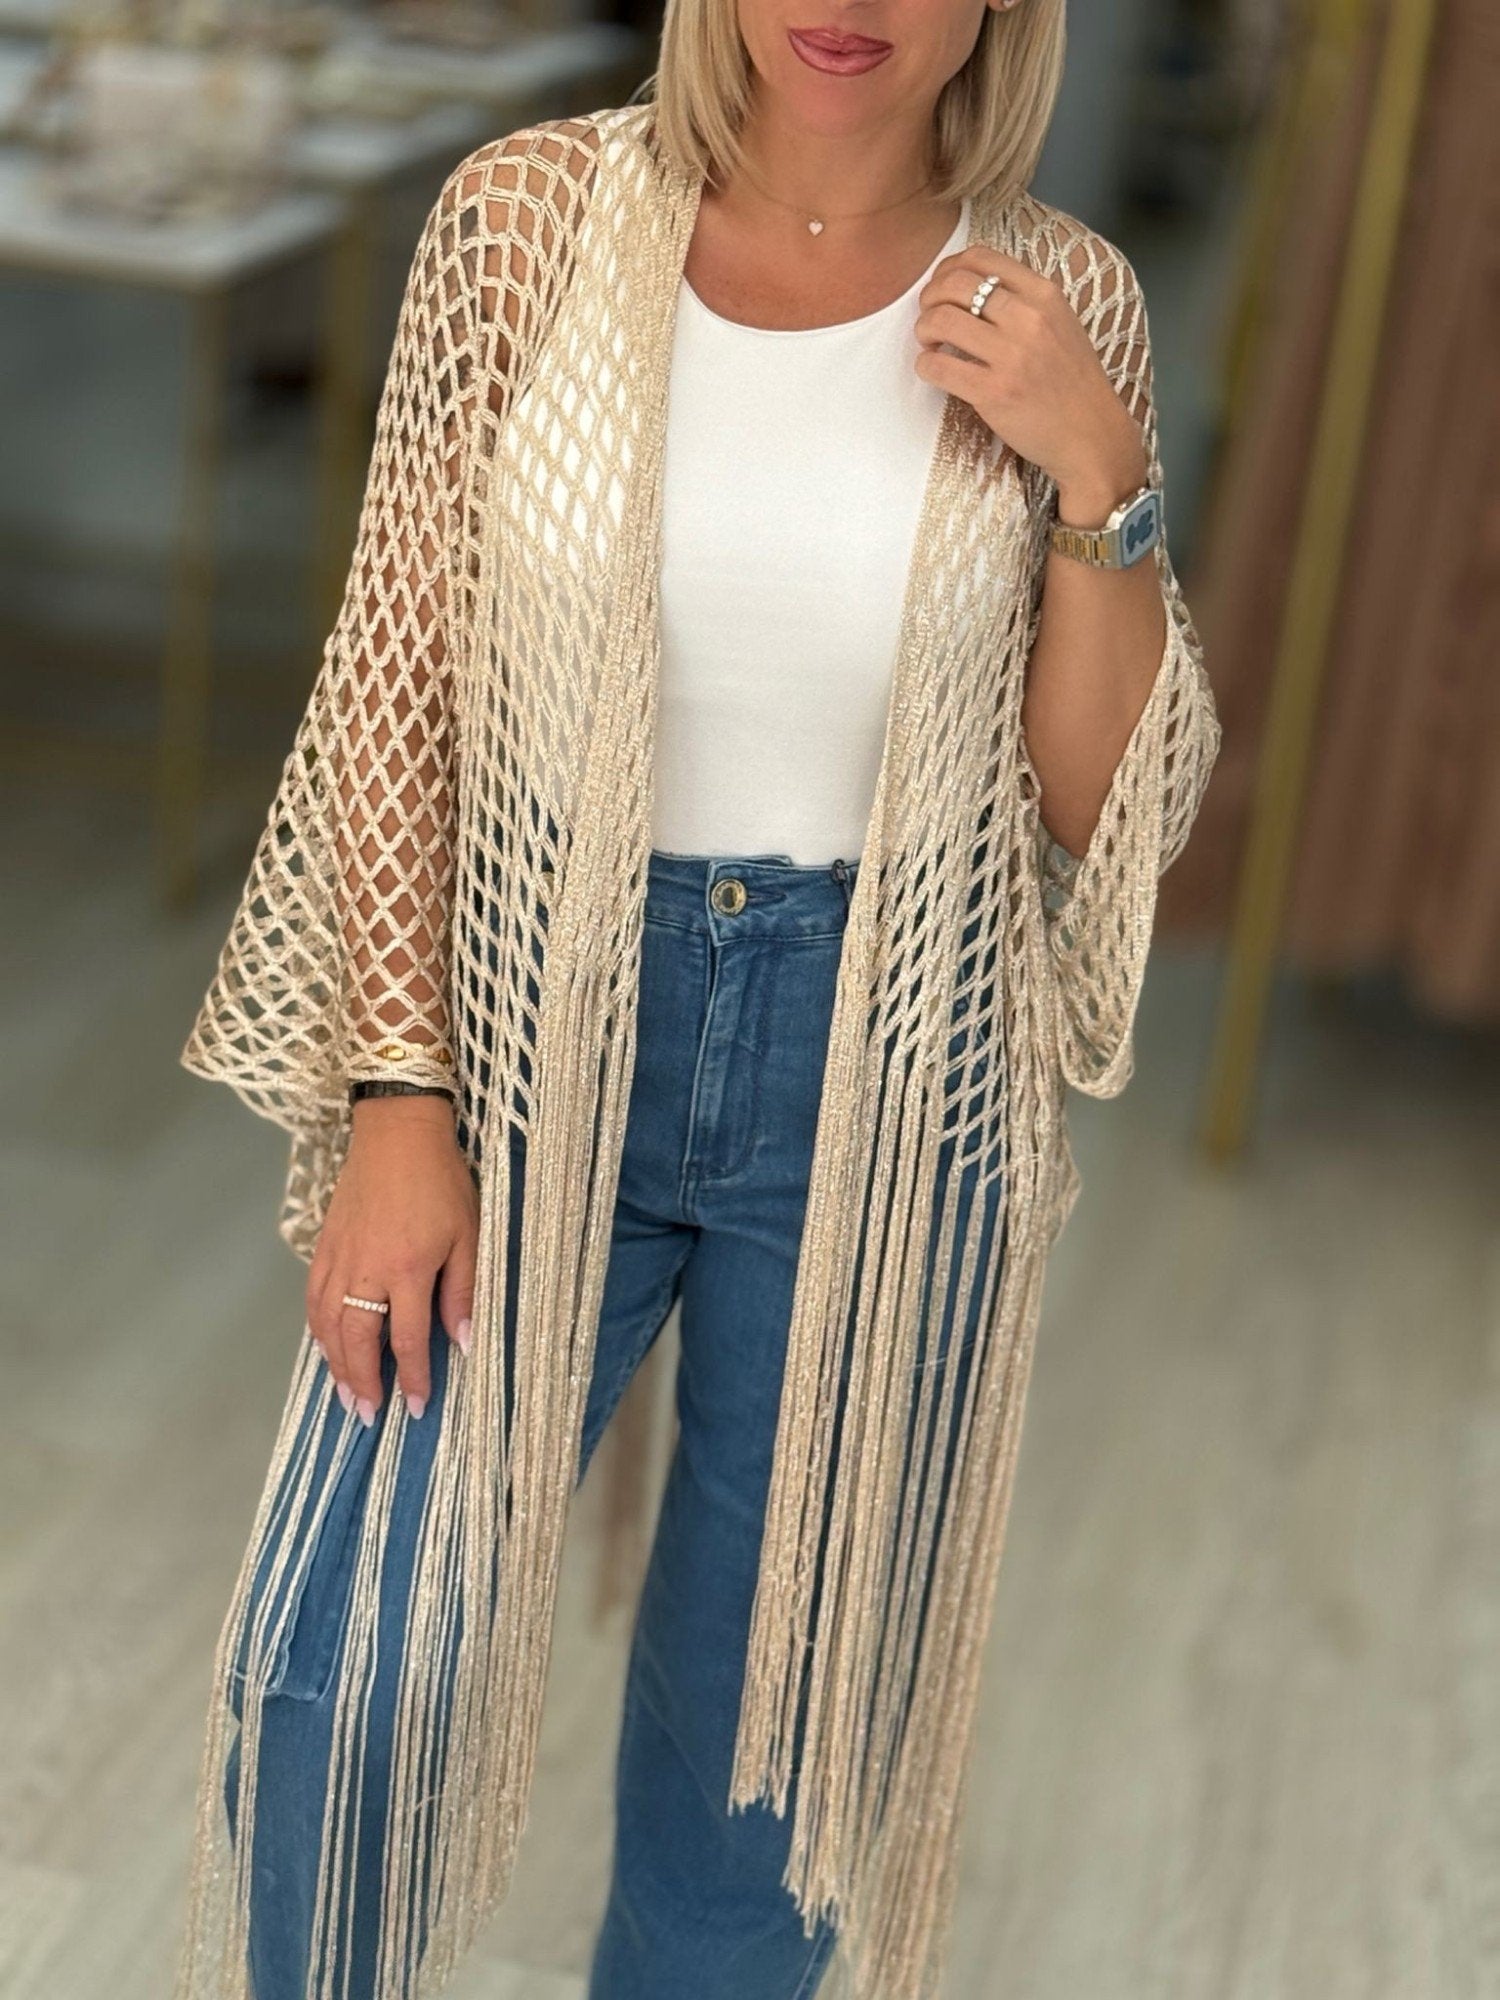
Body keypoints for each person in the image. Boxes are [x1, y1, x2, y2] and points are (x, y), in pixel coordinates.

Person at [171, 0, 1222, 1995]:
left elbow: (1102, 815)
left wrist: (1100, 469)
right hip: (531, 1008)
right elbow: (394, 684)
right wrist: (399, 1091)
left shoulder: (1059, 296)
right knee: (346, 1668)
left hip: (888, 1050)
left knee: (761, 1768)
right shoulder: (528, 220)